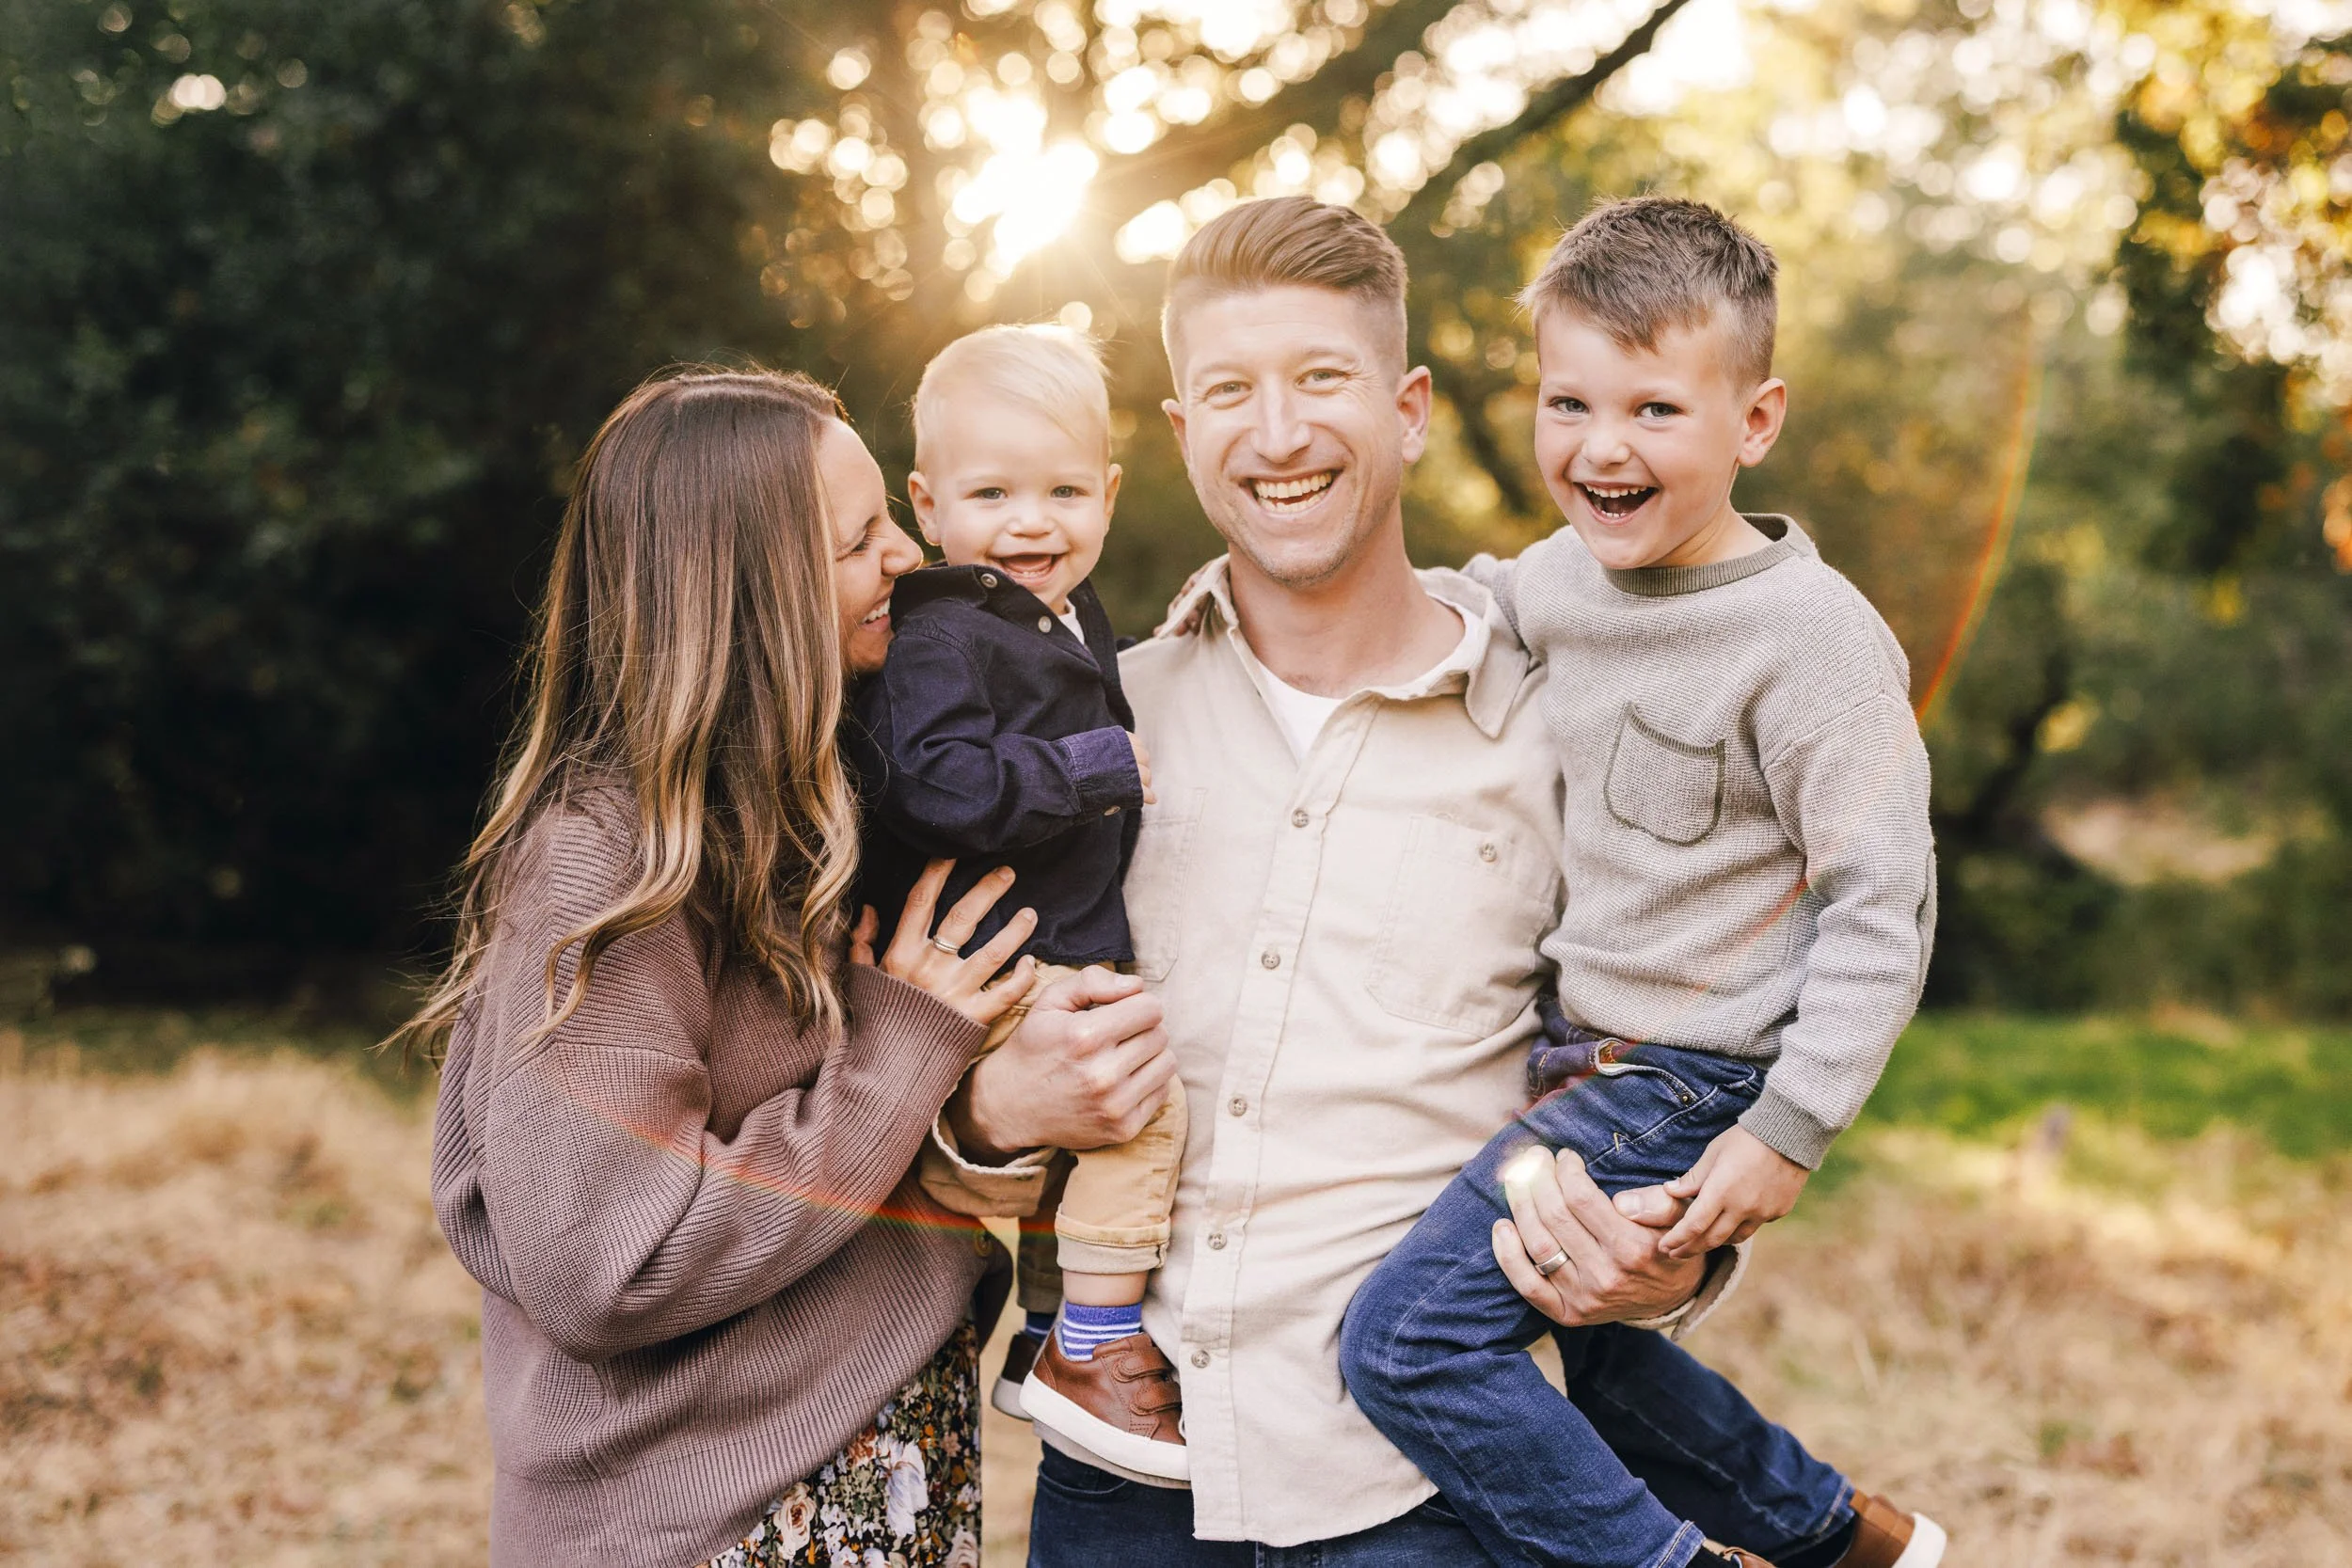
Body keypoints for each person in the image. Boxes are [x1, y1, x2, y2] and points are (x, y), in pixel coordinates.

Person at [935, 198, 1749, 1565]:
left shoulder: (1560, 733)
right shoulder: (1089, 733)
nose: (1279, 434)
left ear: (1411, 406)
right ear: (1183, 435)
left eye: (1322, 379)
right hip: (1128, 1481)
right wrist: (988, 1106)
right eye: (1230, 393)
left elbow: (1660, 1067)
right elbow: (940, 1032)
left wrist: (1675, 1256)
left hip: (1425, 1491)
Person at [402, 367, 1176, 1568]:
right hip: (710, 1520)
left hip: (881, 1469)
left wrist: (976, 1101)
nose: (909, 556)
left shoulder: (824, 809)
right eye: (861, 536)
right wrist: (909, 1049)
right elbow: (606, 1259)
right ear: (749, 589)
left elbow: (844, 1157)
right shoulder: (610, 862)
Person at [1340, 198, 1946, 1568]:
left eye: (1656, 409)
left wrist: (1787, 1134)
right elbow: (1457, 606)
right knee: (1597, 1363)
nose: (1602, 448)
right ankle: (1849, 1539)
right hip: (1578, 1051)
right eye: (1570, 402)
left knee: (1409, 1341)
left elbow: (1884, 907)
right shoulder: (1563, 578)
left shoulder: (1812, 642)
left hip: (1692, 1074)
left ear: (1756, 419)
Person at [847, 325, 1192, 1481]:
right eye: (992, 492)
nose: (1030, 522)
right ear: (926, 502)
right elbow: (934, 783)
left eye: (1060, 490)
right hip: (991, 947)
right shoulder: (942, 630)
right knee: (1142, 1108)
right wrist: (1090, 769)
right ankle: (1093, 1343)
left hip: (1060, 933)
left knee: (1067, 1154)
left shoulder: (1063, 608)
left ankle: (1045, 1327)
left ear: (1108, 491)